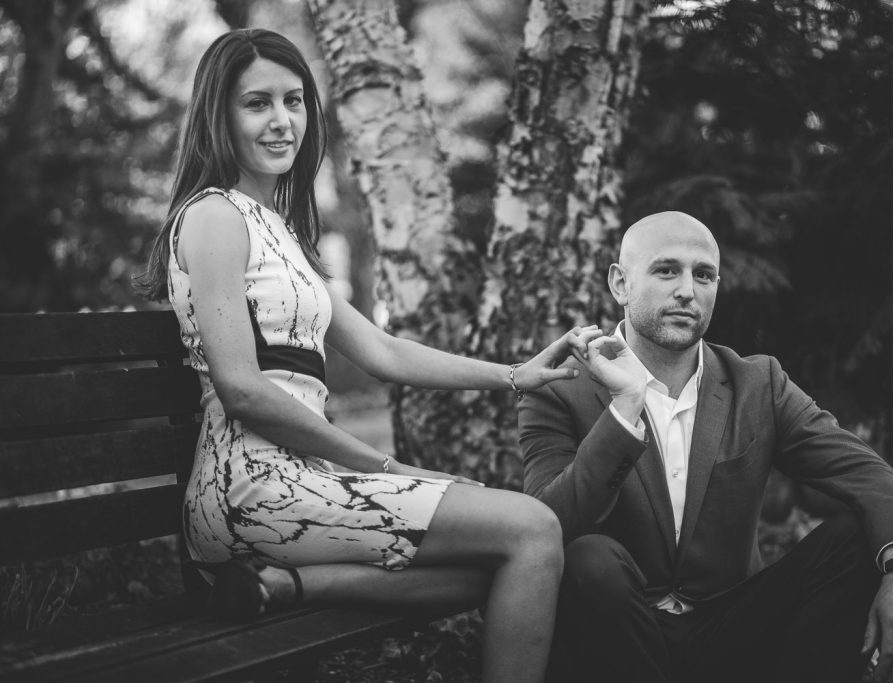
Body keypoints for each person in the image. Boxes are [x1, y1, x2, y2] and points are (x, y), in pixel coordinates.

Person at [136, 29, 599, 683]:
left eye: (294, 100)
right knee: (530, 528)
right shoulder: (215, 217)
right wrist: (385, 466)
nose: (281, 121)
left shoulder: (280, 229)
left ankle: (297, 583)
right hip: (249, 489)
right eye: (257, 103)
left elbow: (380, 347)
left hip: (300, 482)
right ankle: (294, 577)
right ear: (219, 114)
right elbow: (241, 388)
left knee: (501, 555)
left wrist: (514, 375)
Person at [518, 211, 893, 683]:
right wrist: (624, 408)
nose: (686, 291)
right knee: (589, 556)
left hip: (732, 635)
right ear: (620, 283)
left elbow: (866, 474)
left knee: (858, 540)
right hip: (616, 640)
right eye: (666, 269)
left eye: (704, 275)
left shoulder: (758, 383)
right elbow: (546, 524)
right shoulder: (560, 386)